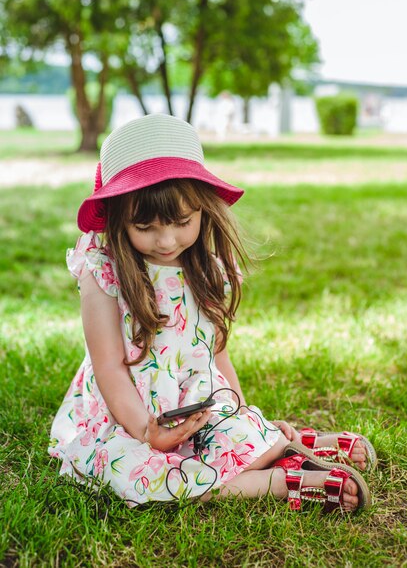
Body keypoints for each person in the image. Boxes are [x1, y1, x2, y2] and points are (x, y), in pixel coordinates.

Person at [49, 114, 375, 512]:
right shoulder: (102, 268)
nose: (166, 240)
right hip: (128, 415)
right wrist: (147, 434)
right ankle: (279, 479)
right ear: (118, 216)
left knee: (235, 435)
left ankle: (281, 440)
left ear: (203, 208)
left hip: (198, 404)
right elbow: (110, 368)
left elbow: (216, 358)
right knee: (138, 476)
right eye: (144, 226)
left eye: (182, 221)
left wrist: (241, 418)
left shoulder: (209, 268)